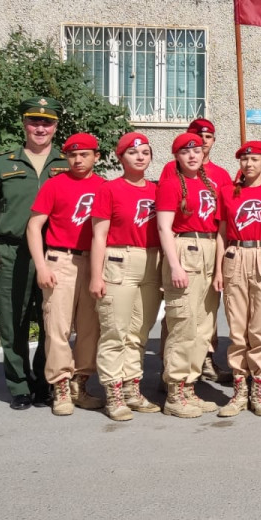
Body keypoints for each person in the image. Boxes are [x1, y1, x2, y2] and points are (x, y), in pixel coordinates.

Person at [0, 97, 67, 410]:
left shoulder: (66, 163)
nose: (40, 128)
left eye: (47, 122)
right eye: (34, 121)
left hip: (54, 253)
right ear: (24, 123)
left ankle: (44, 383)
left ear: (55, 126)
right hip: (12, 251)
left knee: (51, 320)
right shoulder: (3, 164)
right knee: (12, 319)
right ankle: (19, 386)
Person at [26, 133, 106, 416]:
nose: (78, 160)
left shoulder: (104, 187)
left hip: (93, 262)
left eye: (84, 154)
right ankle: (60, 386)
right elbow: (34, 227)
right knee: (57, 328)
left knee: (90, 328)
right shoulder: (55, 184)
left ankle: (79, 384)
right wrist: (41, 266)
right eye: (72, 155)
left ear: (96, 157)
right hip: (60, 260)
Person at [88, 133, 163, 421]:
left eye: (145, 152)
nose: (140, 157)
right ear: (121, 157)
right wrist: (96, 276)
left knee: (139, 331)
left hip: (151, 260)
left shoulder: (156, 190)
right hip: (120, 259)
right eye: (133, 153)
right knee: (115, 331)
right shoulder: (109, 189)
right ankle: (114, 393)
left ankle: (132, 387)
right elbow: (99, 236)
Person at [214, 142, 261, 418]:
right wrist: (218, 270)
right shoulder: (227, 193)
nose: (249, 164)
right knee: (237, 329)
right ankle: (239, 391)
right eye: (245, 160)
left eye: (255, 160)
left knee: (260, 328)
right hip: (235, 255)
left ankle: (258, 389)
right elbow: (221, 233)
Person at [155, 132, 222, 419]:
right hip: (186, 249)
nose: (192, 156)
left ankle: (190, 386)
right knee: (183, 324)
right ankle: (174, 392)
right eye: (185, 152)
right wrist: (174, 265)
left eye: (196, 151)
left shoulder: (210, 184)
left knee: (203, 327)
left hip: (209, 249)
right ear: (177, 157)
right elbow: (164, 227)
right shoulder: (171, 184)